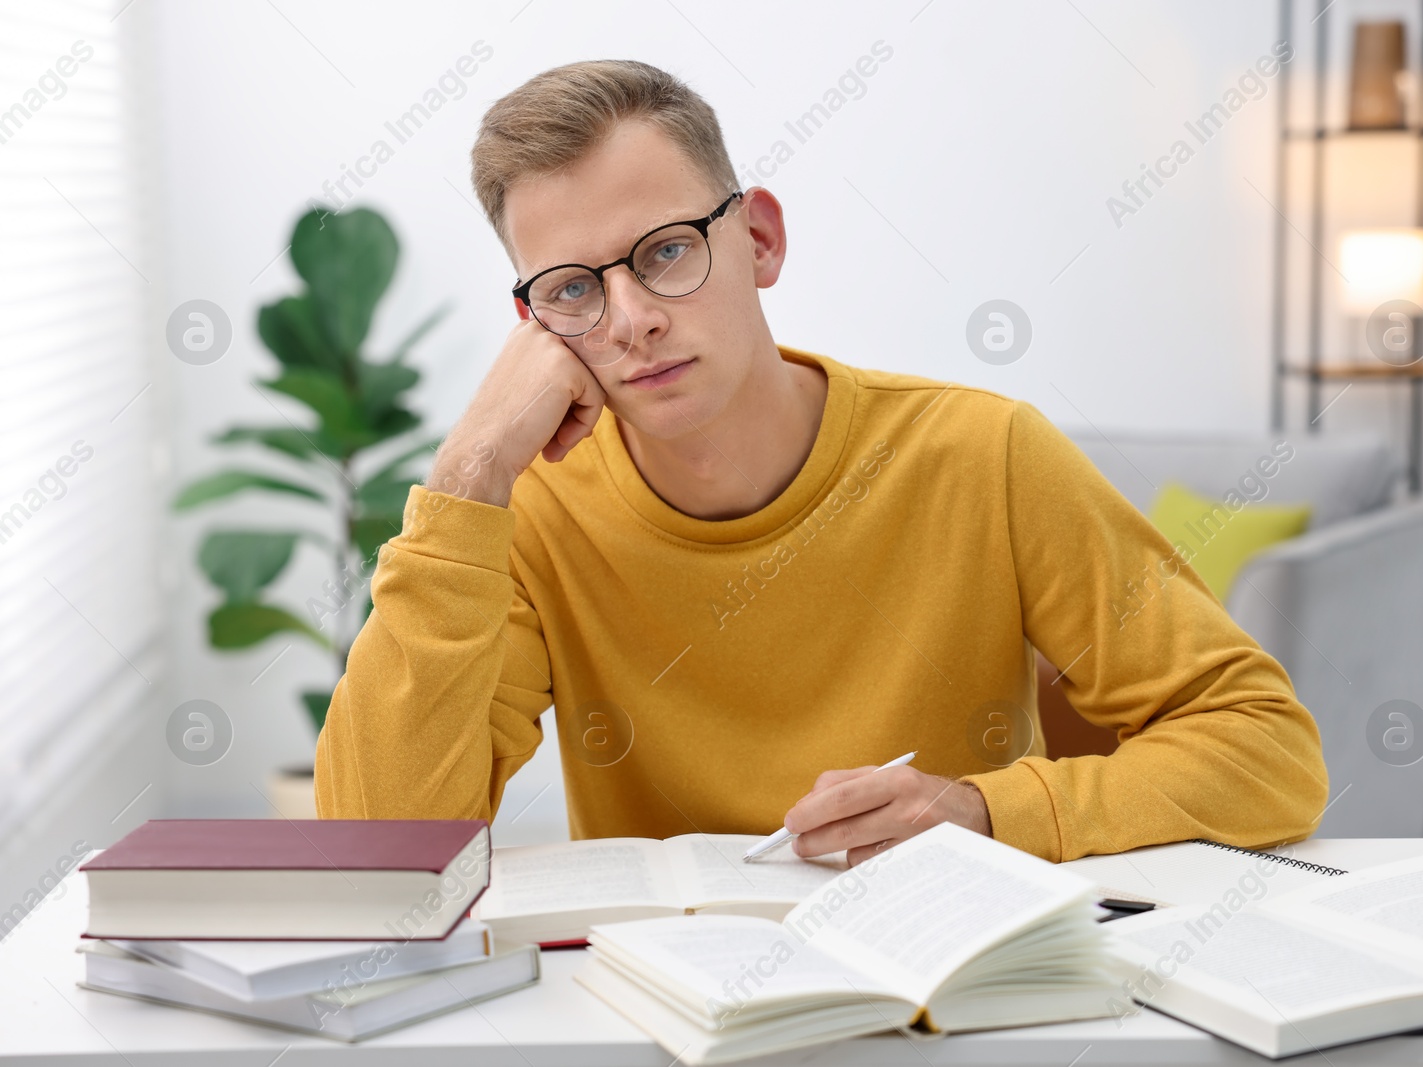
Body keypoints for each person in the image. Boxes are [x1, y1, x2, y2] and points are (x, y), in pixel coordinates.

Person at [314, 59, 1328, 865]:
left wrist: (983, 808)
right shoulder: (532, 515)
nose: (631, 321)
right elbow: (376, 854)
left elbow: (1265, 747)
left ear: (758, 238)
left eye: (666, 250)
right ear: (534, 320)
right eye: (574, 288)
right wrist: (468, 475)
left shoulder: (984, 453)